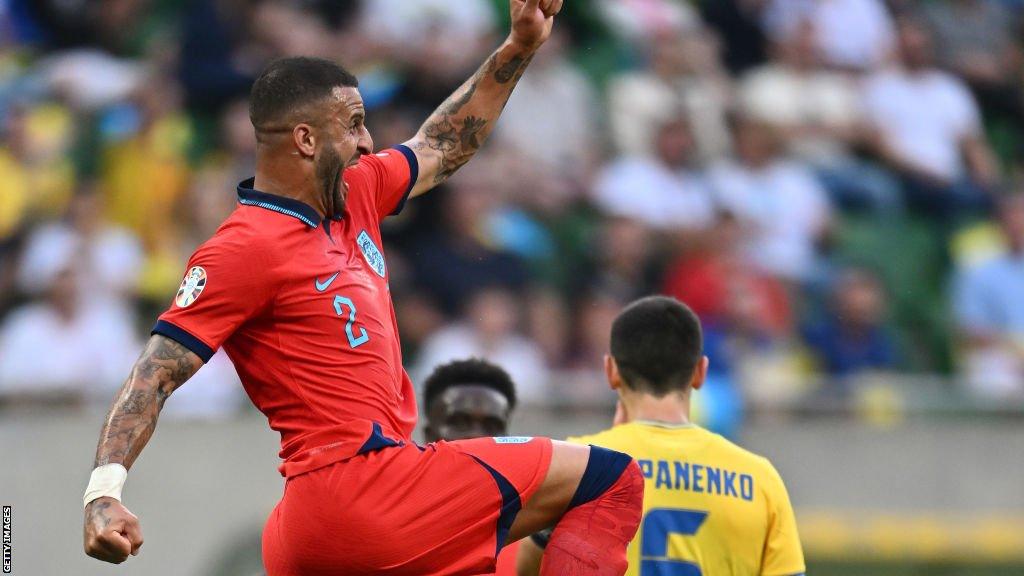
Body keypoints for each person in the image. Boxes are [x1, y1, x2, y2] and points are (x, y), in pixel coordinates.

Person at [80, 2, 645, 575]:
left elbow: (443, 144)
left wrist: (519, 46)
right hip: (365, 488)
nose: (369, 141)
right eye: (353, 125)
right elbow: (154, 375)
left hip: (319, 526)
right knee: (610, 479)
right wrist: (102, 492)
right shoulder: (243, 247)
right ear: (304, 139)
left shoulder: (359, 195)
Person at [517, 296, 805, 576]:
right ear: (700, 372)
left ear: (611, 371)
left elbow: (527, 570)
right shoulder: (759, 478)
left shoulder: (578, 463)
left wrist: (606, 461)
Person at [421, 358, 519, 576]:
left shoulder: (535, 540)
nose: (477, 437)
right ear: (428, 435)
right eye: (460, 422)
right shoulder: (388, 528)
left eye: (492, 426)